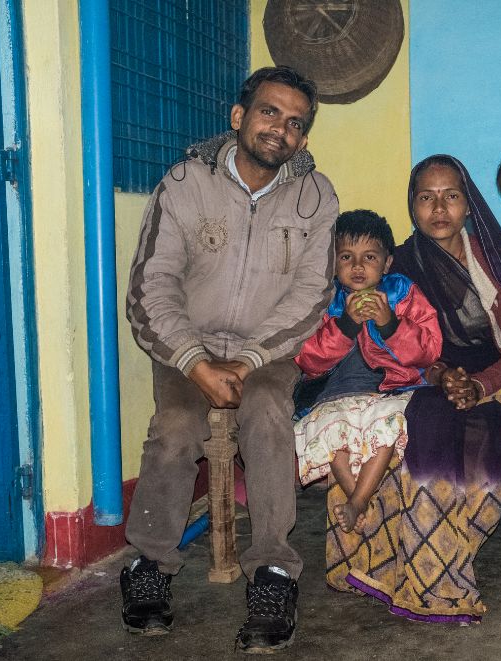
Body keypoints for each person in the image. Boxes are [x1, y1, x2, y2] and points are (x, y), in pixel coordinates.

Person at [122, 66, 338, 652]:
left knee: (268, 415)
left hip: (266, 352)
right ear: (239, 117)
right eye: (270, 112)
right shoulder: (186, 182)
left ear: (304, 139)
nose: (281, 129)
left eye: (296, 123)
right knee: (175, 426)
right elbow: (152, 285)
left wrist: (245, 363)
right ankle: (149, 565)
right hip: (185, 346)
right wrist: (194, 361)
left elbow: (310, 296)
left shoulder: (318, 198)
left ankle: (272, 572)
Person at [325, 154, 501, 623]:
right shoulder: (400, 266)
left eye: (451, 196)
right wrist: (439, 375)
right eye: (426, 197)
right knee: (423, 427)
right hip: (420, 377)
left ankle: (437, 573)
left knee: (485, 440)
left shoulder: (496, 259)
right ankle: (396, 572)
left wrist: (480, 383)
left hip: (496, 378)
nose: (439, 208)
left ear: (469, 203)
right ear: (411, 205)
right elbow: (391, 344)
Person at [293, 210, 441, 534]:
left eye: (369, 257)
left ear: (387, 262)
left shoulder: (401, 292)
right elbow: (308, 359)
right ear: (333, 262)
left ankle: (358, 503)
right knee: (330, 430)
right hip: (335, 393)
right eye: (346, 256)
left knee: (387, 424)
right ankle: (357, 498)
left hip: (390, 390)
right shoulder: (326, 300)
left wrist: (390, 323)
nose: (357, 267)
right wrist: (344, 325)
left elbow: (430, 349)